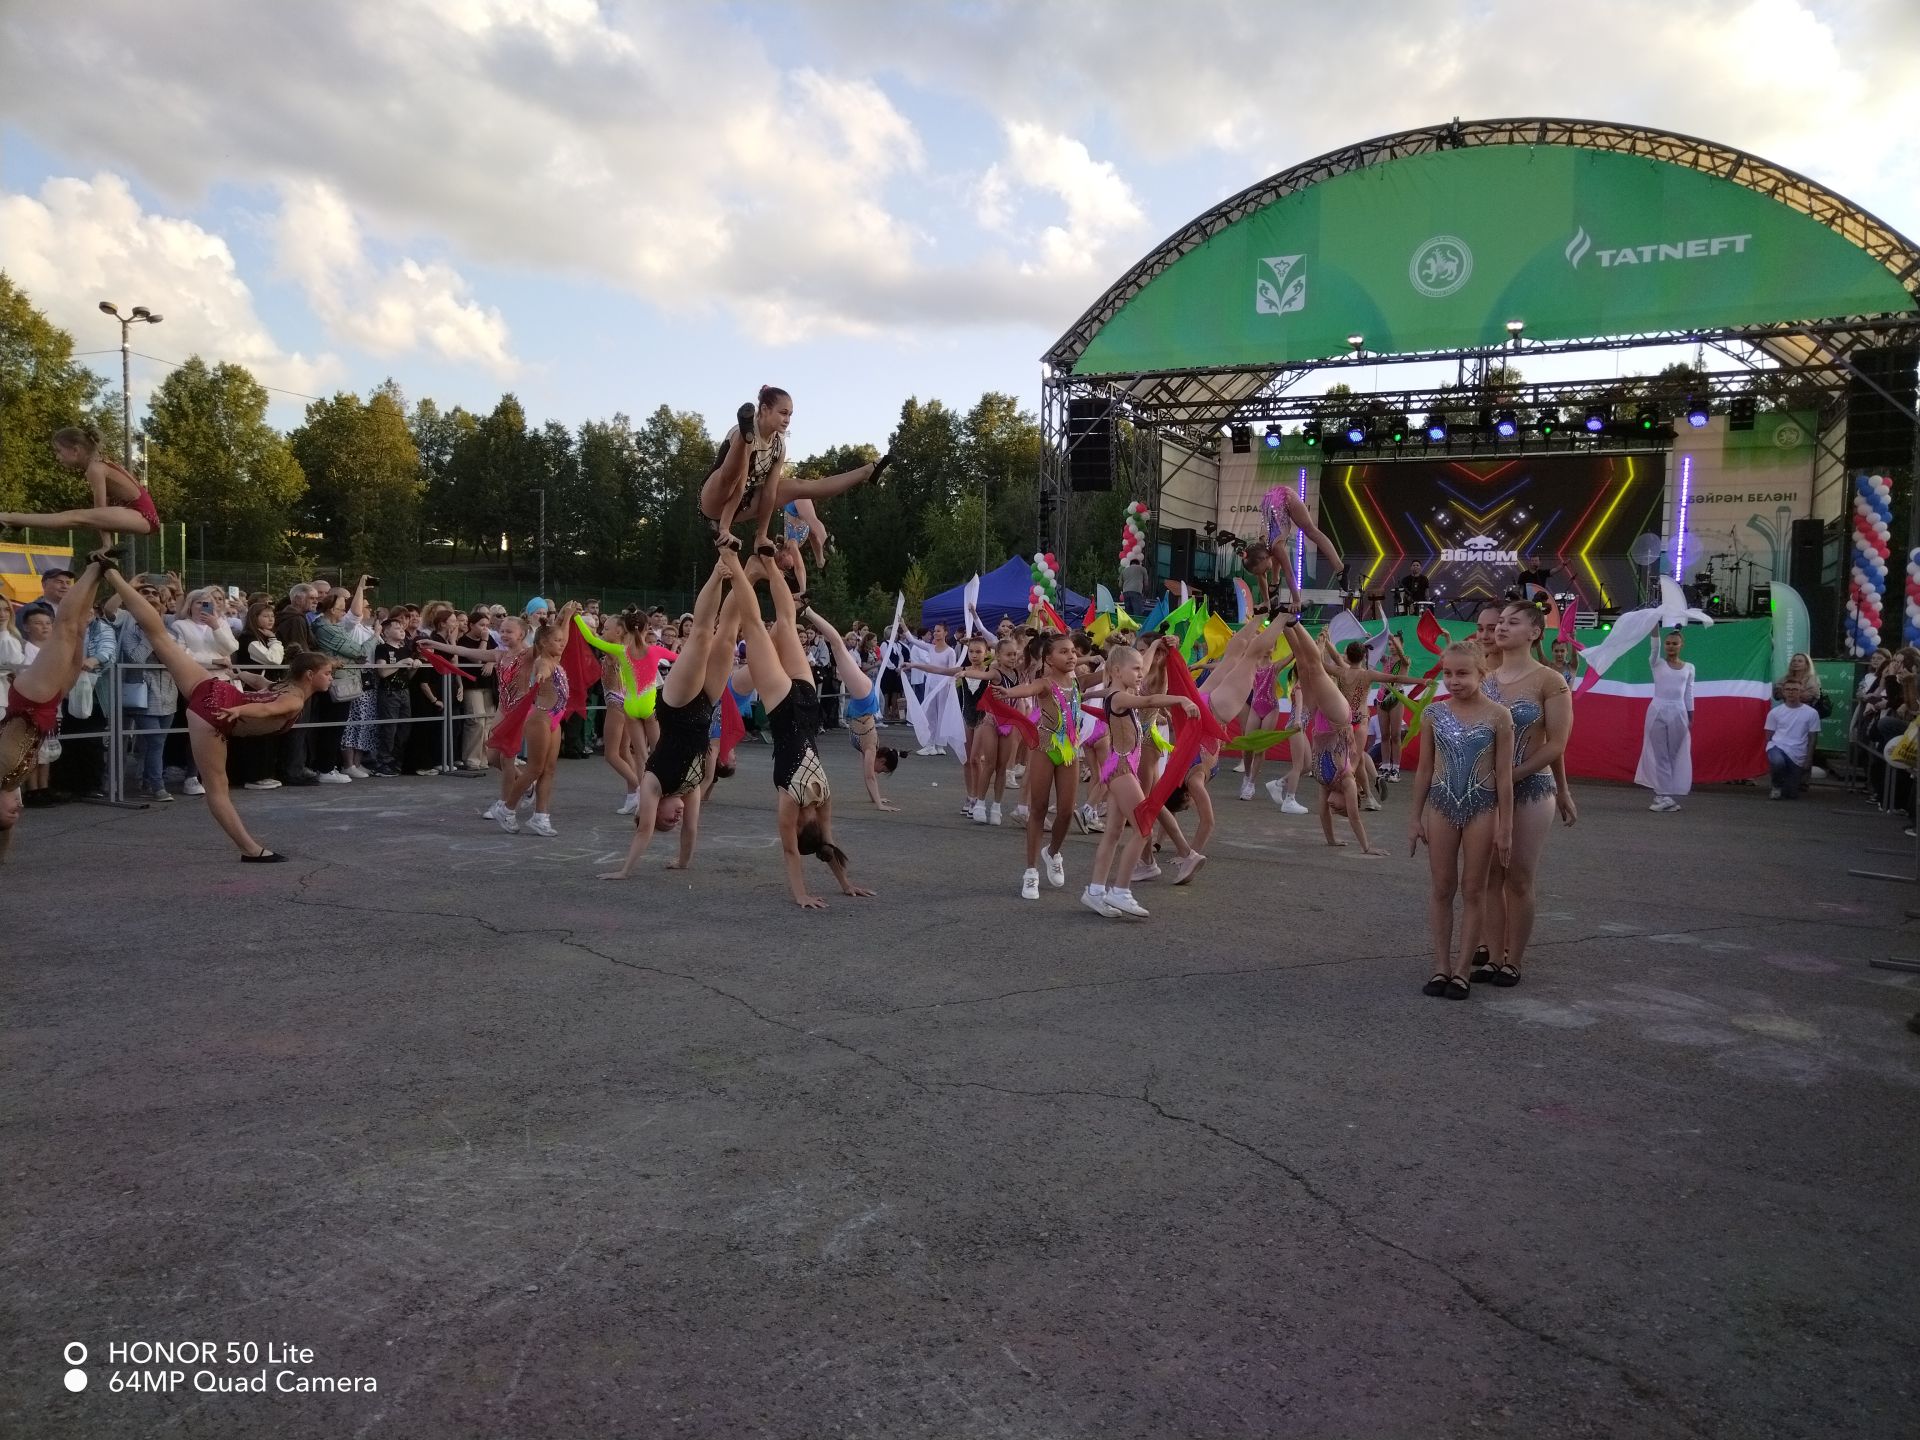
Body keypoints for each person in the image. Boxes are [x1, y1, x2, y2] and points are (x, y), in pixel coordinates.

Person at [101, 564, 334, 860]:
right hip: (217, 711)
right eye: (328, 673)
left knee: (158, 635)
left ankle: (111, 574)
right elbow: (270, 710)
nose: (331, 677)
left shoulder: (286, 686)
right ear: (310, 675)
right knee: (217, 789)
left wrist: (237, 674)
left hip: (218, 691)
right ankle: (250, 850)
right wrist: (238, 710)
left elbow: (261, 684)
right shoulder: (294, 700)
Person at [716, 546, 873, 909]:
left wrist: (846, 882)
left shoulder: (824, 800)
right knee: (756, 627)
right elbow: (789, 850)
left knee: (785, 623)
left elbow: (828, 846)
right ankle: (742, 566)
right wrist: (800, 894)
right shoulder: (791, 800)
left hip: (806, 703)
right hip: (785, 706)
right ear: (802, 824)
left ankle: (768, 562)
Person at [600, 559, 742, 879]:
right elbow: (691, 829)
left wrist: (623, 871)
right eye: (671, 824)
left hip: (676, 705)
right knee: (728, 638)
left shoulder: (653, 783)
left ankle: (719, 568)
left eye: (665, 820)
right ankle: (751, 573)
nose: (674, 820)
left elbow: (643, 832)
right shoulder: (690, 788)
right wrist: (682, 862)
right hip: (704, 707)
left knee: (703, 636)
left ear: (651, 811)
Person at [1477, 601, 1577, 985]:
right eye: (1499, 621)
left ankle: (1513, 959)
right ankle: (1491, 952)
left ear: (1535, 632)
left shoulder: (1550, 680)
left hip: (1531, 788)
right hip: (1485, 790)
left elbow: (1556, 744)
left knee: (1518, 876)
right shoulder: (1484, 678)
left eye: (1512, 623)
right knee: (1488, 876)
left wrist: (1516, 777)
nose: (1500, 628)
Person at [1408, 640, 1515, 999]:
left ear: (1482, 672)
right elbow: (1424, 770)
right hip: (1440, 807)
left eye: (1463, 673)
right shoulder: (1433, 714)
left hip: (1482, 809)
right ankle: (1440, 966)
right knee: (1441, 889)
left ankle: (1461, 970)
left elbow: (1503, 775)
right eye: (1448, 674)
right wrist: (1414, 818)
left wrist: (1506, 826)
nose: (1454, 681)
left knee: (1473, 889)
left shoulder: (1499, 716)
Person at [0, 555, 113, 854]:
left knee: (64, 627)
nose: (15, 813)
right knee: (78, 632)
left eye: (7, 816)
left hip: (30, 701)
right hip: (47, 707)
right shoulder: (11, 784)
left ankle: (92, 567)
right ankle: (98, 573)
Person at [1080, 640, 1199, 919]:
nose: (1140, 674)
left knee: (1113, 834)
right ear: (1117, 671)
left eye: (1140, 669)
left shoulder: (1122, 686)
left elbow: (1142, 668)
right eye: (1134, 670)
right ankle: (1120, 891)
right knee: (1144, 828)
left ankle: (1095, 892)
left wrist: (1156, 644)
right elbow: (1148, 700)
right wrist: (1180, 699)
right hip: (1121, 770)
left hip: (1121, 769)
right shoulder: (1118, 696)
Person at [698, 385, 891, 555]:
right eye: (783, 413)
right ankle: (743, 436)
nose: (787, 419)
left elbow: (769, 493)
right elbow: (737, 485)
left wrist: (762, 536)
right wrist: (724, 529)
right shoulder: (749, 432)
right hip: (713, 499)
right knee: (731, 476)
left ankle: (866, 472)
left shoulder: (779, 445)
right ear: (764, 410)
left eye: (790, 414)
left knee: (799, 486)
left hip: (744, 501)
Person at [1277, 613, 1385, 856]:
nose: (1330, 807)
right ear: (1349, 801)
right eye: (1338, 809)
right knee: (1315, 668)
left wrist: (1332, 840)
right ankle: (1294, 622)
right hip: (1338, 719)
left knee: (1304, 668)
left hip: (1319, 720)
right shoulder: (1346, 780)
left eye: (1334, 809)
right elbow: (1356, 820)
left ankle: (1282, 620)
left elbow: (1323, 817)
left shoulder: (1326, 784)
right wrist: (1367, 847)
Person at [994, 632, 1084, 900]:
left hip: (1069, 751)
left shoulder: (1078, 682)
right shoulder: (1044, 683)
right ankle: (1031, 871)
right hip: (1045, 749)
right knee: (1039, 808)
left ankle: (1052, 853)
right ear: (1048, 658)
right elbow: (1029, 689)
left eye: (1072, 652)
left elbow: (1113, 671)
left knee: (1067, 811)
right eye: (1063, 652)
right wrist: (1009, 692)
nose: (1071, 656)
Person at [804, 604, 901, 812]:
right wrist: (879, 804)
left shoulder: (868, 749)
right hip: (864, 696)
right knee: (838, 646)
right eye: (882, 770)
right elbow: (869, 776)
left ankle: (808, 612)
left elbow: (869, 777)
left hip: (863, 697)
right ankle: (808, 611)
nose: (878, 773)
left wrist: (876, 798)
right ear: (882, 761)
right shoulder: (870, 747)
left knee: (838, 648)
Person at [1, 429, 162, 540]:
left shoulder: (95, 469)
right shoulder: (102, 463)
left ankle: (10, 518)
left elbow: (99, 513)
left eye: (59, 450)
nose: (58, 456)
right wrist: (107, 546)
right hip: (141, 515)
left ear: (76, 450)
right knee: (78, 518)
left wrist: (106, 545)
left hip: (143, 517)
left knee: (76, 517)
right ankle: (13, 519)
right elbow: (102, 515)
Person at [1636, 627, 1694, 812]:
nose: (1670, 646)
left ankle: (1666, 795)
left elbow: (1689, 693)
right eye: (1667, 643)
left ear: (1681, 645)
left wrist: (1690, 715)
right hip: (1658, 711)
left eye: (1674, 643)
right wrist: (1654, 628)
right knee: (1660, 754)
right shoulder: (1657, 663)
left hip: (1679, 712)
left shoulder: (1689, 667)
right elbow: (1654, 649)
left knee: (1673, 755)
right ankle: (1663, 795)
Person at [1765, 678, 1822, 799]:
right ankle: (1776, 785)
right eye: (1788, 689)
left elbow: (1812, 738)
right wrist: (1770, 750)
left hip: (1797, 752)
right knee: (1777, 762)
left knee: (1790, 795)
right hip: (1777, 747)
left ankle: (1785, 784)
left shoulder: (1811, 713)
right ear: (1783, 692)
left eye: (1795, 689)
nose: (1791, 692)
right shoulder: (1775, 712)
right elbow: (1769, 734)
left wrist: (1809, 759)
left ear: (1801, 691)